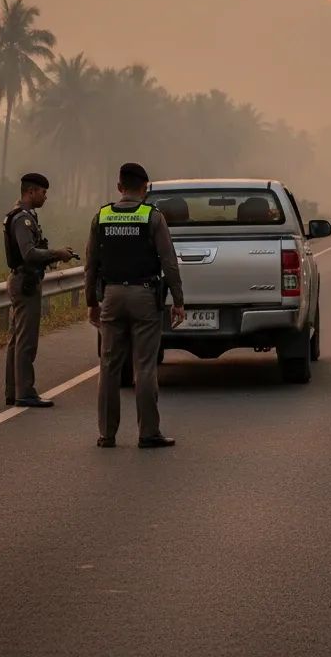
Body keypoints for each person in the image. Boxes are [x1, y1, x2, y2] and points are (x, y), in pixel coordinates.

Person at [85, 162, 186, 448]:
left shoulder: (101, 217)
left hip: (112, 298)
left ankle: (106, 435)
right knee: (144, 366)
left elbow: (91, 265)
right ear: (145, 189)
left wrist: (92, 301)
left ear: (119, 187)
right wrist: (178, 300)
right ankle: (148, 433)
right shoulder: (152, 217)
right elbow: (169, 261)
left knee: (109, 367)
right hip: (144, 297)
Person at [2, 173, 76, 408]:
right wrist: (56, 253)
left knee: (17, 338)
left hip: (23, 280)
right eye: (43, 192)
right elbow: (29, 253)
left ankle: (14, 390)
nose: (45, 197)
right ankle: (25, 392)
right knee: (26, 340)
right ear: (31, 191)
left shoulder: (22, 216)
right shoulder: (22, 219)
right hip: (25, 282)